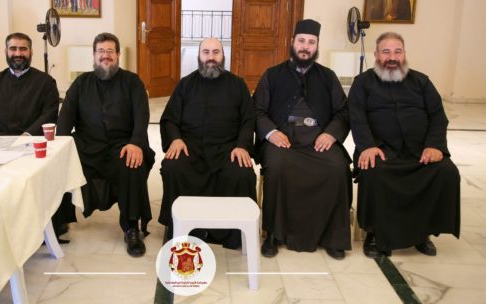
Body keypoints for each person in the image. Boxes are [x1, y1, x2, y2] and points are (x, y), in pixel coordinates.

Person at [348, 32, 460, 258]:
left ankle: (423, 233)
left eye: (397, 51)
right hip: (381, 151)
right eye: (386, 52)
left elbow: (438, 116)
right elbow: (356, 117)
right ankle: (374, 232)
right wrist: (367, 146)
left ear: (404, 54)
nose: (392, 57)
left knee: (446, 171)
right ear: (376, 55)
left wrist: (435, 146)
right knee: (373, 171)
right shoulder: (363, 82)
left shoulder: (421, 81)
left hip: (419, 152)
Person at [253, 19, 352, 260]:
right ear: (292, 42)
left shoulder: (328, 77)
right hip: (282, 139)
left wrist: (330, 134)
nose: (305, 47)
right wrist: (271, 133)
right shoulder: (272, 75)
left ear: (317, 46)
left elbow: (343, 112)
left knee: (338, 167)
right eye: (301, 41)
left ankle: (333, 237)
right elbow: (256, 111)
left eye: (311, 42)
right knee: (277, 166)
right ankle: (274, 234)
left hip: (318, 139)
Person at [54, 32, 155, 257]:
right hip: (87, 145)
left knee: (132, 163)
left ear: (118, 55)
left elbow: (142, 116)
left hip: (122, 146)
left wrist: (136, 143)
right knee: (60, 159)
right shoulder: (81, 83)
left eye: (110, 51)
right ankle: (60, 220)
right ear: (93, 55)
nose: (105, 56)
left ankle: (131, 227)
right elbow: (65, 117)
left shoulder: (132, 82)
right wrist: (60, 145)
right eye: (101, 51)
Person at [159, 37, 257, 249]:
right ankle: (178, 228)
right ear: (199, 56)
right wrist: (176, 139)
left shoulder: (238, 85)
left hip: (227, 149)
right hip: (190, 148)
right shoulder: (185, 84)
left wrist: (241, 145)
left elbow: (249, 120)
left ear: (223, 56)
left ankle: (233, 233)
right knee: (173, 167)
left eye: (215, 52)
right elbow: (169, 119)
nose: (211, 57)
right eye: (206, 52)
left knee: (242, 173)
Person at [0, 33, 59, 136]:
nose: (18, 53)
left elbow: (49, 114)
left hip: (30, 139)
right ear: (6, 52)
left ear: (31, 52)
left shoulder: (46, 82)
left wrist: (27, 135)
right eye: (13, 49)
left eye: (23, 49)